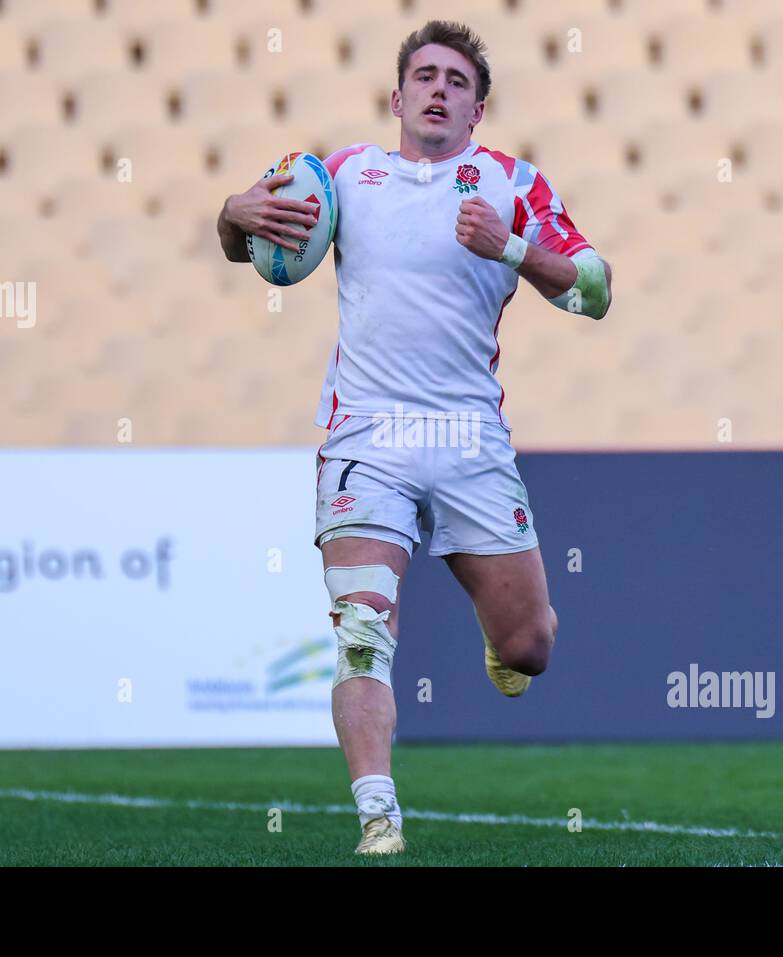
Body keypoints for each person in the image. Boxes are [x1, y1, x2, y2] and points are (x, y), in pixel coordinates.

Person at [217, 20, 613, 855]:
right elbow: (250, 240)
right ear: (397, 98)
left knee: (531, 646)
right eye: (425, 76)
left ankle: (499, 638)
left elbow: (595, 291)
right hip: (367, 435)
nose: (439, 89)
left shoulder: (511, 184)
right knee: (362, 631)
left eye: (457, 80)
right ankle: (378, 816)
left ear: (478, 108)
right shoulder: (344, 176)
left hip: (469, 439)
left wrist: (509, 245)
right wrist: (230, 213)